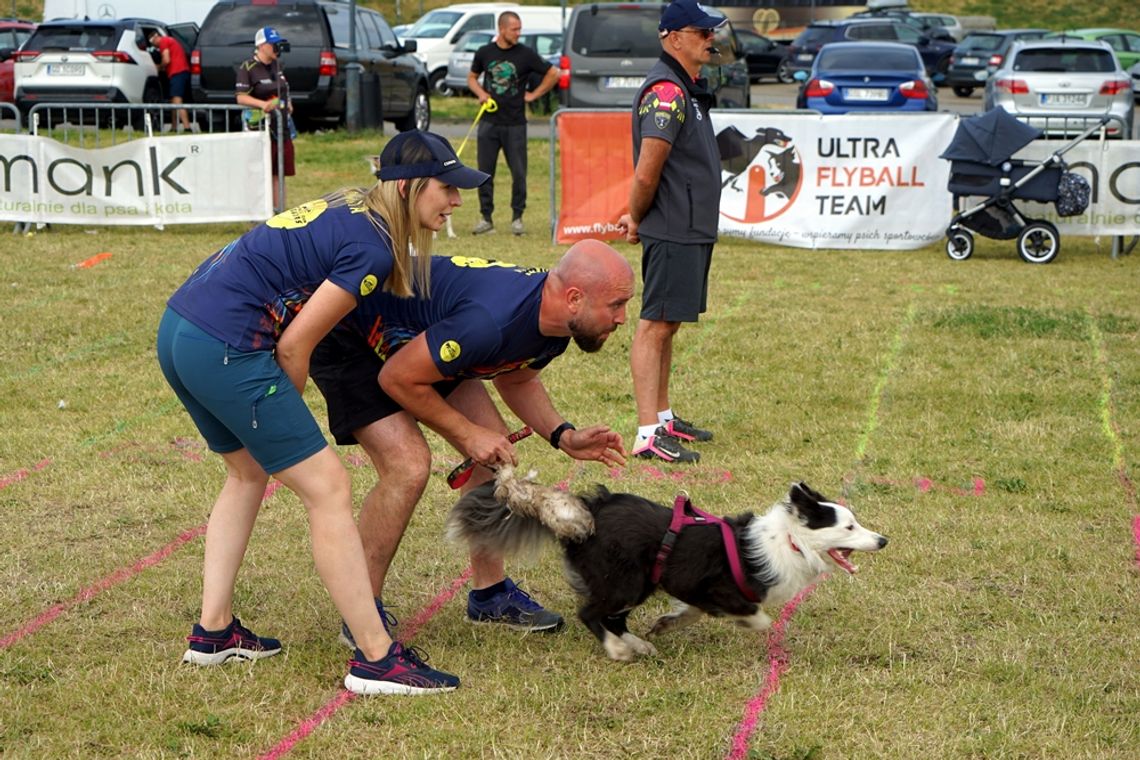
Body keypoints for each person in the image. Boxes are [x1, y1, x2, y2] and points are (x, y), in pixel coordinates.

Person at [156, 130, 490, 696]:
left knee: (246, 473)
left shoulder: (353, 205)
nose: (457, 200)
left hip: (179, 330)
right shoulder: (374, 247)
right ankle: (376, 659)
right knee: (329, 487)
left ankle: (213, 631)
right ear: (407, 188)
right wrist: (281, 417)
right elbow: (294, 348)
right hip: (224, 344)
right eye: (447, 188)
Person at [308, 239, 632, 646]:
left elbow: (516, 377)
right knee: (408, 466)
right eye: (616, 305)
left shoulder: (552, 324)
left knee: (494, 458)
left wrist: (562, 434)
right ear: (574, 298)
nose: (623, 318)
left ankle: (489, 595)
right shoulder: (491, 321)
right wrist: (465, 432)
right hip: (351, 332)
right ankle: (361, 612)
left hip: (426, 338)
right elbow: (398, 378)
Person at [617, 0, 723, 464]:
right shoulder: (666, 92)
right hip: (674, 225)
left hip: (689, 224)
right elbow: (647, 172)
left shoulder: (686, 88)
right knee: (655, 325)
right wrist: (637, 215)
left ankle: (663, 417)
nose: (711, 39)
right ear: (673, 37)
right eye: (702, 31)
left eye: (711, 31)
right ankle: (647, 433)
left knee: (669, 323)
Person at [466, 10, 560, 237]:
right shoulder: (485, 52)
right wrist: (481, 93)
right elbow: (471, 77)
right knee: (484, 172)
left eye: (520, 29)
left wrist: (534, 95)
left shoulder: (525, 54)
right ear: (501, 29)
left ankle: (517, 218)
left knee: (519, 173)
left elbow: (553, 73)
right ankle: (486, 218)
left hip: (515, 124)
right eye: (514, 29)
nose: (518, 33)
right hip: (489, 123)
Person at [236, 26, 294, 212]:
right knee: (260, 172)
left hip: (281, 126)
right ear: (261, 46)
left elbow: (284, 88)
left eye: (278, 44)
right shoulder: (248, 67)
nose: (277, 48)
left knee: (279, 172)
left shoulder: (277, 66)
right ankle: (259, 211)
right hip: (260, 129)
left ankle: (279, 211)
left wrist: (288, 102)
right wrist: (262, 105)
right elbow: (241, 97)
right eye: (273, 44)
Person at [148, 29, 193, 133]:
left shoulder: (164, 42)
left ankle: (187, 127)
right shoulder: (170, 40)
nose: (155, 47)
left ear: (155, 38)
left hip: (177, 72)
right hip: (181, 72)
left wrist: (159, 67)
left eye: (153, 44)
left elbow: (166, 59)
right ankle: (174, 127)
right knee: (173, 101)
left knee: (177, 100)